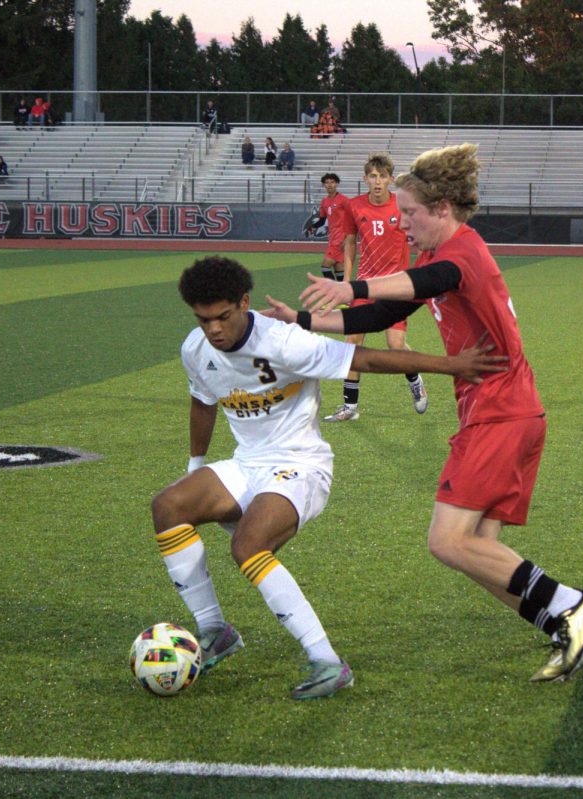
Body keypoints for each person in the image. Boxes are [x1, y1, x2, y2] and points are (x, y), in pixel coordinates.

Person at [272, 143, 583, 684]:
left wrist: (348, 284)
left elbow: (423, 285)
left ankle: (572, 603)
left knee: (447, 541)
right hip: (511, 413)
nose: (402, 225)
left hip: (499, 414)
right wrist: (304, 321)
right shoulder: (438, 258)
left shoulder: (462, 255)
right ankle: (566, 628)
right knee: (480, 551)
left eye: (410, 214)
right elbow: (385, 310)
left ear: (443, 208)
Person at [155, 255, 504, 700]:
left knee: (247, 545)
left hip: (301, 466)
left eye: (223, 317)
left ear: (244, 303)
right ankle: (214, 630)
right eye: (204, 321)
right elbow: (202, 402)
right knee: (167, 506)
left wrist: (449, 365)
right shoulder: (195, 348)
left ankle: (326, 661)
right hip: (247, 464)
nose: (214, 330)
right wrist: (196, 465)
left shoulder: (284, 342)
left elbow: (368, 359)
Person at [321, 153, 426, 422]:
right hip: (364, 286)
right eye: (372, 176)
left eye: (382, 176)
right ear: (365, 178)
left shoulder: (403, 206)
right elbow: (350, 242)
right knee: (353, 343)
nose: (377, 181)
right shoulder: (353, 207)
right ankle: (349, 407)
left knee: (395, 344)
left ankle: (414, 377)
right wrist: (346, 281)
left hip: (396, 287)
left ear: (391, 179)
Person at [303, 172, 349, 282]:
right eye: (326, 182)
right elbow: (322, 220)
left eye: (332, 182)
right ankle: (343, 292)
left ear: (337, 184)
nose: (329, 185)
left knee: (325, 266)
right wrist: (312, 226)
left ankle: (333, 289)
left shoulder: (344, 200)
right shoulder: (324, 201)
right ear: (324, 185)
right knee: (338, 268)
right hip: (332, 238)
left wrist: (347, 238)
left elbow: (353, 218)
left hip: (340, 239)